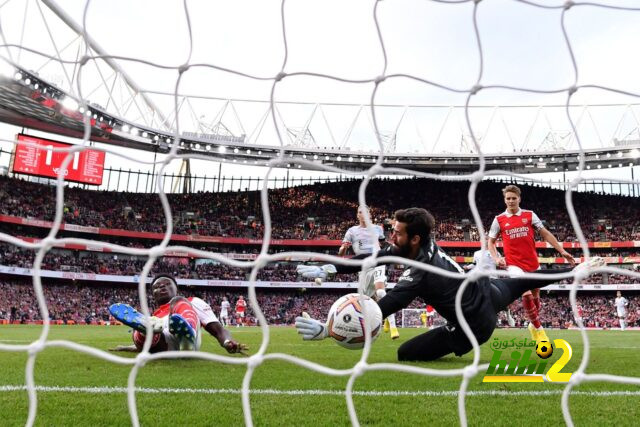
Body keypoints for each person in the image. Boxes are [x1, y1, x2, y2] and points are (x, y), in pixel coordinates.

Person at [295, 207, 602, 362]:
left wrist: (328, 329)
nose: (393, 238)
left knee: (405, 354)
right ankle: (480, 267)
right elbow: (371, 257)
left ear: (414, 239)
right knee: (521, 280)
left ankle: (479, 268)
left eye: (398, 233)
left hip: (474, 325)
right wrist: (332, 267)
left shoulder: (420, 271)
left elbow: (383, 307)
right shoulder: (417, 245)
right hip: (488, 290)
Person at [488, 185, 576, 343]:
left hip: (533, 263)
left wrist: (561, 251)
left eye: (514, 198)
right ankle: (539, 331)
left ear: (519, 199)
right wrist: (496, 258)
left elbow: (546, 234)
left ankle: (532, 324)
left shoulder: (529, 215)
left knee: (536, 296)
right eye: (508, 198)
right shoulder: (499, 219)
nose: (511, 201)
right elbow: (491, 242)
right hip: (514, 265)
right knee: (526, 293)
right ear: (504, 200)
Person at [108, 274, 248, 354]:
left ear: (177, 288)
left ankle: (186, 340)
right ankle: (144, 332)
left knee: (177, 304)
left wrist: (227, 342)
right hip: (162, 348)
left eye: (167, 284)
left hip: (187, 340)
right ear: (153, 295)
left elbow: (218, 329)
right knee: (147, 325)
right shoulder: (155, 316)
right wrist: (126, 348)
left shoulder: (193, 301)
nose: (162, 286)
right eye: (157, 287)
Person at [337, 205, 399, 339]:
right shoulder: (352, 231)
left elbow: (383, 243)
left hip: (377, 261)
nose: (363, 214)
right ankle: (383, 319)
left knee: (381, 292)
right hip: (362, 267)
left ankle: (394, 327)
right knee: (365, 299)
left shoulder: (377, 229)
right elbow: (341, 252)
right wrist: (343, 248)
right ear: (357, 215)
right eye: (360, 212)